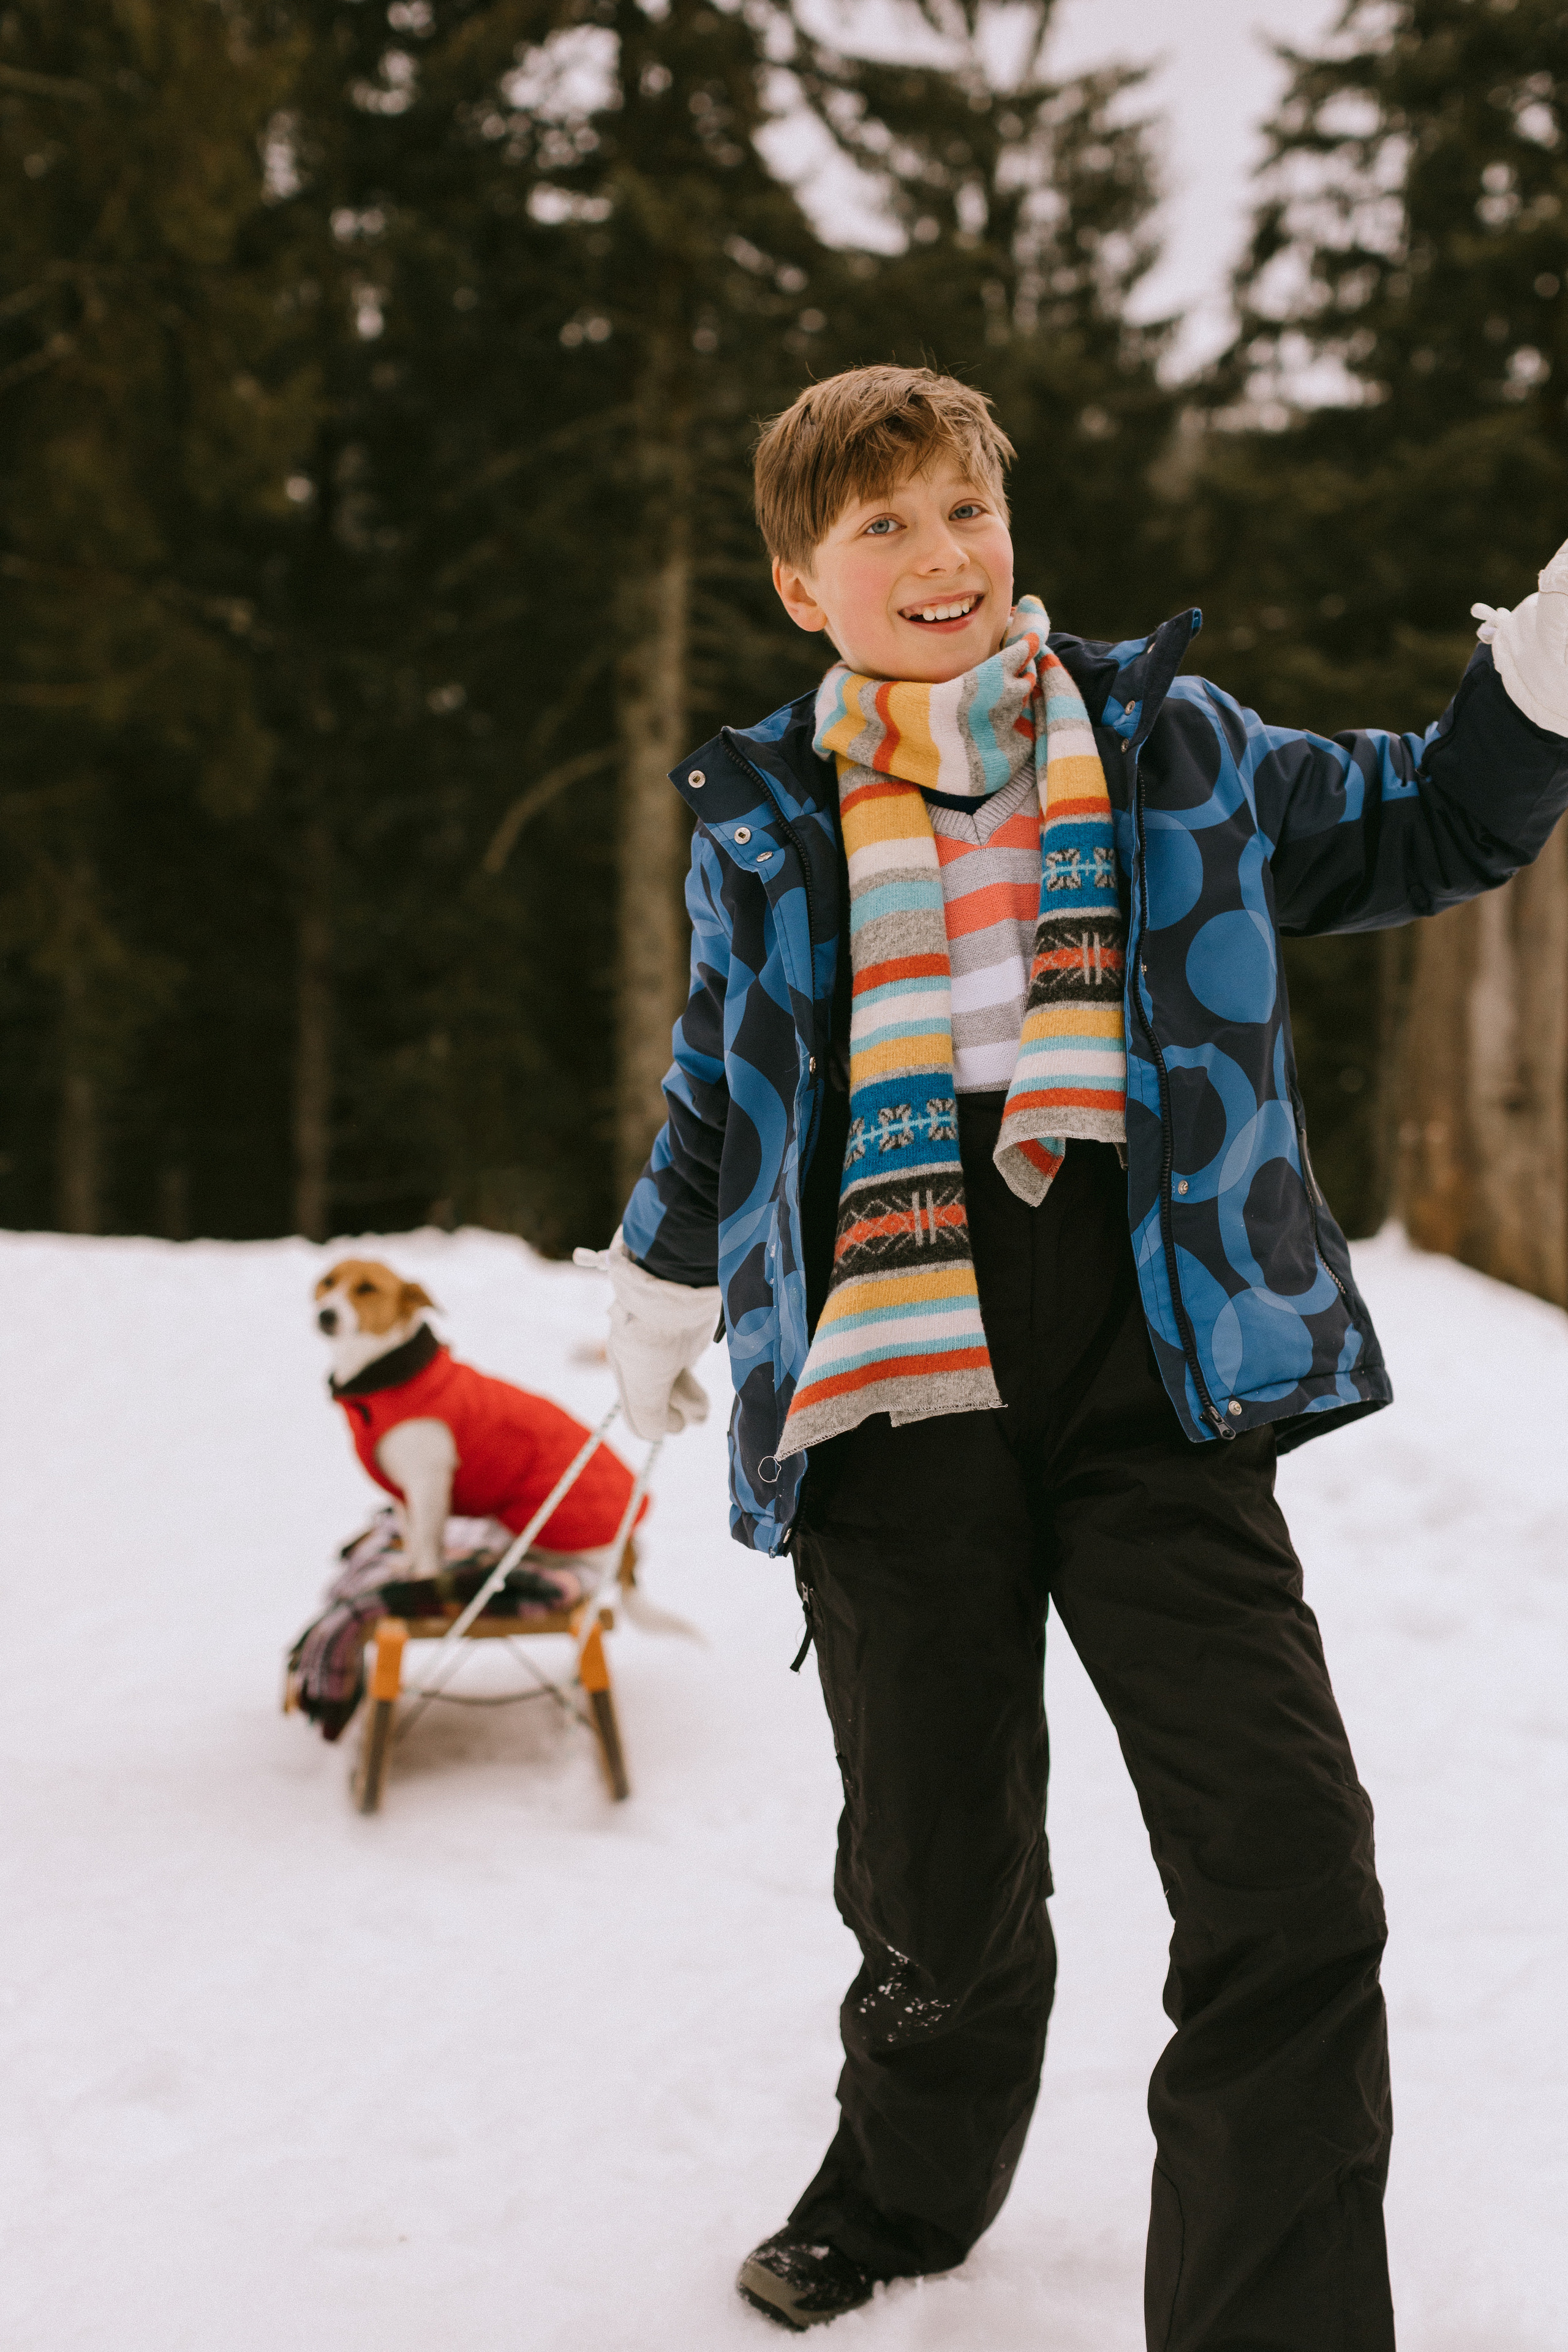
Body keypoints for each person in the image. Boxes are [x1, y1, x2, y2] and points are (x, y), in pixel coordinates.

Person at [596, 365, 1568, 2344]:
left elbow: (1430, 823)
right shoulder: (765, 818)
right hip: (889, 1386)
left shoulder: (1170, 746)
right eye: (884, 527)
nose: (942, 556)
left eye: (965, 510)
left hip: (1151, 1367)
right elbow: (725, 1078)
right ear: (804, 584)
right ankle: (903, 2190)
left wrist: (1541, 680)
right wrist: (662, 1279)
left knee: (1290, 1868)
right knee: (935, 1880)